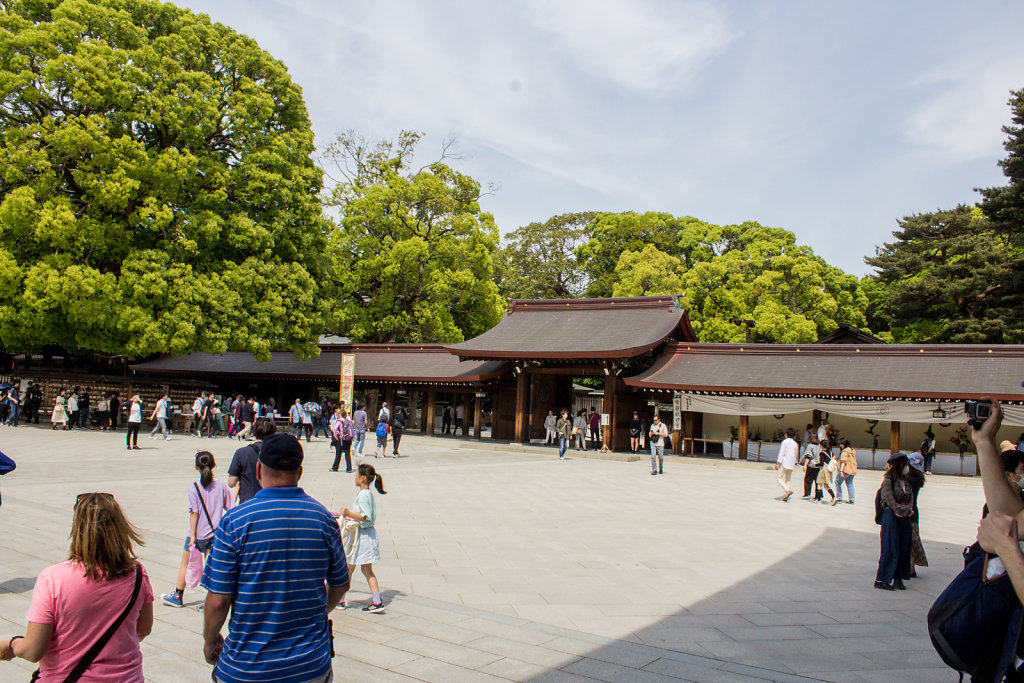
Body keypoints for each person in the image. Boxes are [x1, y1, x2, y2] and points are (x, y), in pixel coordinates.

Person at [200, 433, 350, 683]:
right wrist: (318, 613)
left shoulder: (235, 521)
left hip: (247, 666)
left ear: (258, 470)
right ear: (299, 471)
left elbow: (218, 601)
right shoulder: (323, 519)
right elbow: (341, 584)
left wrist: (210, 639)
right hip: (310, 665)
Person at [0, 492, 153, 680]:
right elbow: (144, 628)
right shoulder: (137, 573)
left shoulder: (53, 578)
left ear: (77, 529)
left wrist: (12, 644)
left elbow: (33, 651)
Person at [162, 451, 234, 608]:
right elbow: (231, 508)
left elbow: (194, 513)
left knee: (185, 564)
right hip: (215, 534)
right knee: (212, 567)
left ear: (196, 467)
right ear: (214, 465)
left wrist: (193, 536)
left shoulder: (194, 487)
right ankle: (210, 599)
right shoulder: (221, 485)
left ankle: (177, 595)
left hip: (198, 534)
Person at [337, 463, 388, 613]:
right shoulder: (367, 494)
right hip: (365, 536)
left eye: (356, 475)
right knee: (365, 570)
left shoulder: (364, 495)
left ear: (362, 478)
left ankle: (340, 600)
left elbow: (367, 517)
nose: (355, 478)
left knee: (350, 568)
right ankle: (376, 600)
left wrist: (348, 513)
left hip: (362, 537)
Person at [874, 452, 914, 590]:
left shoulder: (906, 480)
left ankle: (898, 577)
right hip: (891, 516)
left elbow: (911, 498)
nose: (907, 467)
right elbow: (888, 499)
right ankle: (882, 579)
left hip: (905, 517)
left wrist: (908, 510)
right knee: (891, 547)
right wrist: (898, 510)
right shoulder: (889, 480)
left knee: (904, 547)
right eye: (905, 464)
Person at [227, 418, 276, 504]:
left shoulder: (242, 452)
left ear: (254, 431)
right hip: (270, 503)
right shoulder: (277, 452)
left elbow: (231, 482)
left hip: (248, 503)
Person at [907, 451, 928, 576]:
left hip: (910, 512)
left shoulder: (912, 480)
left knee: (910, 541)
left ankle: (910, 567)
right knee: (912, 540)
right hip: (913, 512)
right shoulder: (917, 478)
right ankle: (911, 567)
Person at [775, 428, 799, 502]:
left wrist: (778, 463)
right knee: (788, 479)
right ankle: (785, 494)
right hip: (791, 463)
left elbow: (782, 453)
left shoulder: (784, 442)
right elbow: (796, 454)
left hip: (785, 462)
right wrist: (796, 461)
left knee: (779, 477)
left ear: (786, 435)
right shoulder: (795, 444)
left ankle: (787, 490)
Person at [834, 438, 857, 504]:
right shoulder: (852, 450)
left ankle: (839, 497)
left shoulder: (844, 452)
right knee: (850, 484)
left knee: (838, 482)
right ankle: (852, 499)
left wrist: (841, 471)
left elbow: (843, 462)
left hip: (845, 470)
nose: (840, 445)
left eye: (842, 444)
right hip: (852, 470)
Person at [800, 435, 823, 501]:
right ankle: (817, 495)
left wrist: (805, 465)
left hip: (811, 465)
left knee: (808, 480)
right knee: (817, 481)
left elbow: (808, 456)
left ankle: (807, 494)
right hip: (818, 465)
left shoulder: (810, 446)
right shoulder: (820, 446)